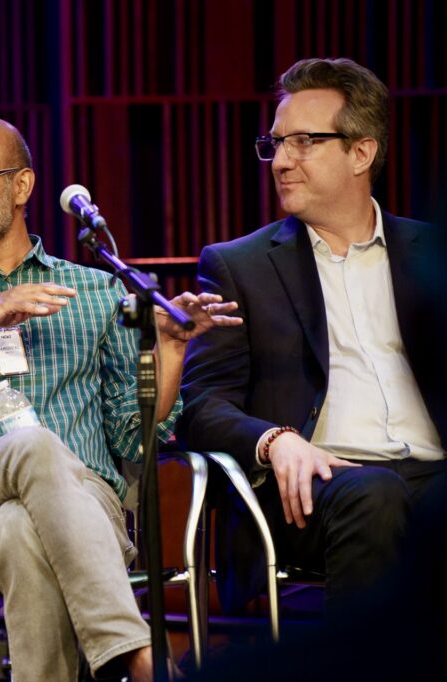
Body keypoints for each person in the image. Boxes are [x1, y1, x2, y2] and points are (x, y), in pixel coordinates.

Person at [0, 115, 239, 682]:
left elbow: (133, 437)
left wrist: (168, 352)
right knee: (33, 445)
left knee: (21, 528)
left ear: (21, 187)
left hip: (86, 507)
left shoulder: (96, 290)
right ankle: (142, 658)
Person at [178, 58, 445, 620]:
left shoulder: (432, 254)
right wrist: (276, 440)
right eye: (275, 143)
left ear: (361, 152)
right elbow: (202, 407)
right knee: (376, 495)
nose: (281, 161)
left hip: (432, 470)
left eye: (303, 142)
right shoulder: (238, 266)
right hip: (321, 486)